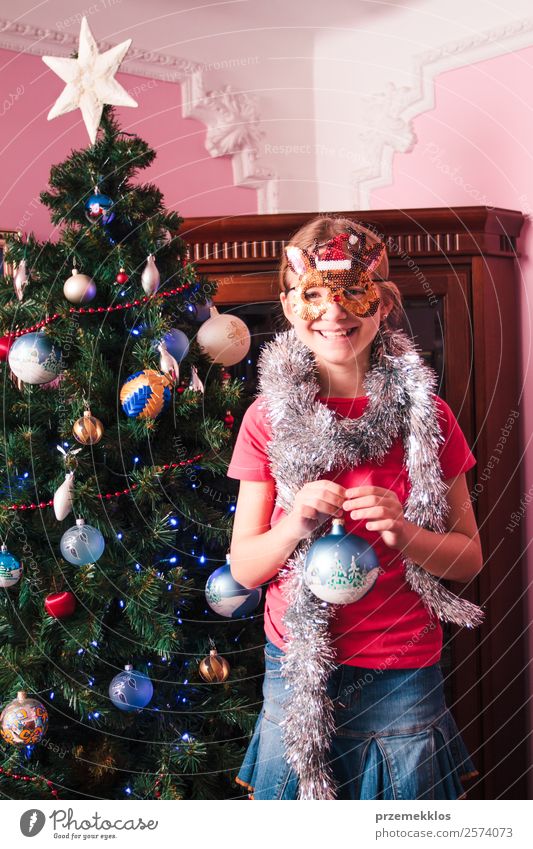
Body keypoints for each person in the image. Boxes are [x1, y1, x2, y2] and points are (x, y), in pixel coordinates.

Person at [226, 215, 483, 800]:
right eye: (314, 294)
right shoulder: (267, 420)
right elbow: (244, 569)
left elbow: (468, 560)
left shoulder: (429, 417)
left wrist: (403, 531)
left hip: (402, 668)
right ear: (291, 307)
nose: (335, 313)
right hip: (296, 666)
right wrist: (295, 523)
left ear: (384, 303)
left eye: (353, 293)